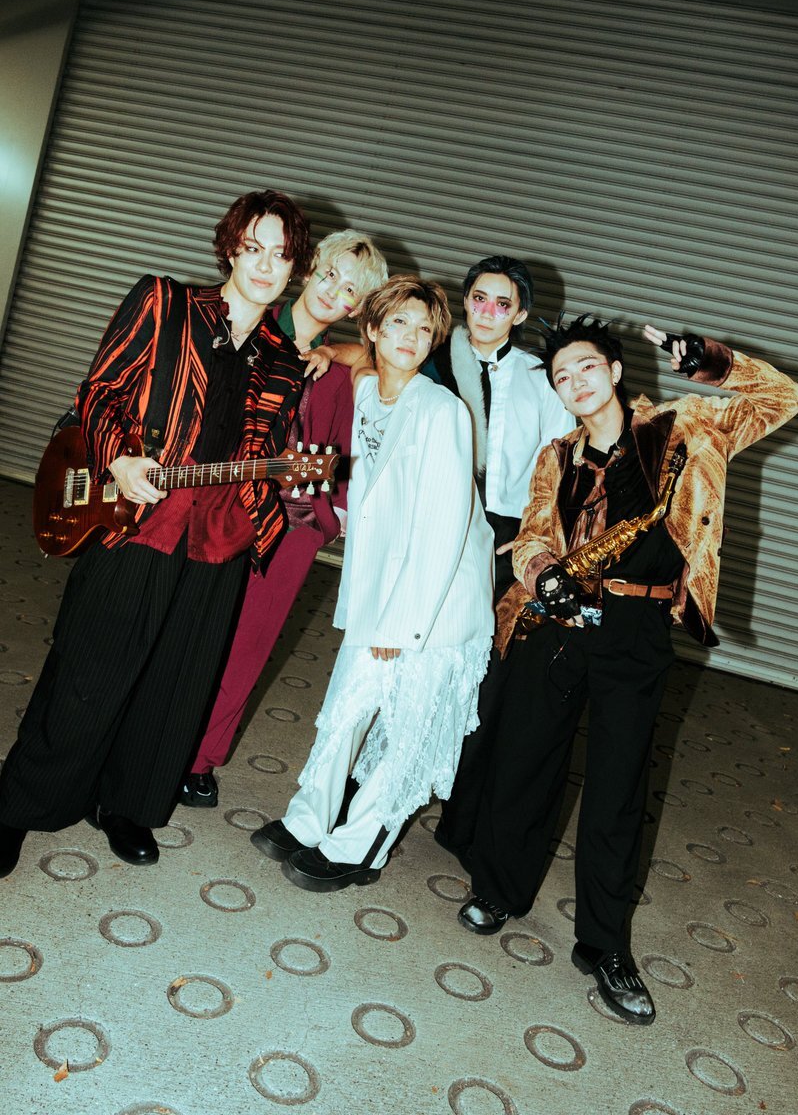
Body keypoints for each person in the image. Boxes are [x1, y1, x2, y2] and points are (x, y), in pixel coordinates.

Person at [456, 314, 798, 1027]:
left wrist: (709, 360)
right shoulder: (557, 457)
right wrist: (544, 571)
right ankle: (499, 888)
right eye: (562, 376)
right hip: (558, 627)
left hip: (636, 631)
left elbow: (783, 398)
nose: (576, 382)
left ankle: (604, 946)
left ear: (614, 371)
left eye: (587, 366)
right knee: (525, 762)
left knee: (617, 790)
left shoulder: (684, 429)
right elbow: (532, 536)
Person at [0, 188, 311, 876]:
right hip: (141, 518)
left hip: (221, 535)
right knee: (88, 668)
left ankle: (126, 804)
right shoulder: (166, 303)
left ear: (295, 268)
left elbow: (263, 447)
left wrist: (279, 480)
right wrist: (118, 458)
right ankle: (18, 806)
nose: (265, 266)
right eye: (254, 248)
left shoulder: (284, 360)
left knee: (177, 682)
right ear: (230, 249)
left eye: (281, 255)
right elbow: (100, 391)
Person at [249, 275, 495, 890]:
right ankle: (309, 820)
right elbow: (356, 369)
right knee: (346, 709)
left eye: (424, 329)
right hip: (379, 588)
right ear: (374, 331)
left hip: (436, 601)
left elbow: (443, 528)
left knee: (406, 730)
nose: (411, 337)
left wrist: (402, 625)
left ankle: (360, 846)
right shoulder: (367, 394)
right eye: (398, 323)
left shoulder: (442, 410)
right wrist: (327, 352)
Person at [179, 229, 388, 807]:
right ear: (309, 268)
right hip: (210, 507)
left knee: (250, 640)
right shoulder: (245, 329)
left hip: (291, 524)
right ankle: (160, 738)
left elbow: (338, 456)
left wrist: (322, 515)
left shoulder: (342, 373)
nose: (333, 292)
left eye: (351, 291)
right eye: (330, 275)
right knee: (188, 628)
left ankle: (202, 757)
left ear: (357, 309)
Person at [423, 255, 574, 864]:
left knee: (487, 677)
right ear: (465, 301)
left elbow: (561, 463)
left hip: (509, 534)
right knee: (422, 659)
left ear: (521, 313)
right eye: (478, 298)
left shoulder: (542, 376)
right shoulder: (435, 358)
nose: (487, 312)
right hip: (442, 522)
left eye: (502, 303)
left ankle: (460, 821)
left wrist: (534, 536)